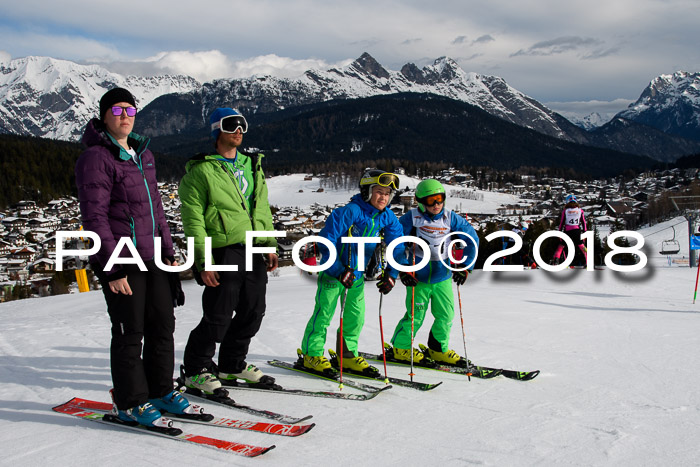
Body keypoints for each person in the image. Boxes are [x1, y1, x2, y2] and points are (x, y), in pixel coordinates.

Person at [75, 87, 194, 428]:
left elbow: (156, 208)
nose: (125, 116)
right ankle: (130, 402)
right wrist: (113, 268)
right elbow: (94, 217)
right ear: (104, 115)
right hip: (122, 260)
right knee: (130, 331)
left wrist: (169, 252)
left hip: (153, 257)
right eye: (117, 110)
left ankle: (160, 391)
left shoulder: (143, 154)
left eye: (130, 109)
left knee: (162, 327)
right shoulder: (97, 158)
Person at [179, 107, 279, 393]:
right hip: (223, 249)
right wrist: (203, 261)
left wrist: (268, 244)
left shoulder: (252, 164)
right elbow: (193, 221)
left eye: (243, 125)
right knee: (219, 314)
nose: (239, 130)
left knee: (254, 310)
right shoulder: (201, 170)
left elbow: (261, 209)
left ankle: (232, 363)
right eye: (232, 124)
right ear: (216, 130)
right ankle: (196, 369)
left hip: (252, 248)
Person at [299, 169, 404, 376]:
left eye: (387, 194)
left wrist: (391, 274)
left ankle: (346, 356)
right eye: (379, 192)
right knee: (324, 314)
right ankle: (311, 354)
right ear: (367, 191)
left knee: (355, 317)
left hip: (356, 276)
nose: (383, 197)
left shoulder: (387, 217)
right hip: (334, 273)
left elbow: (397, 246)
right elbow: (325, 242)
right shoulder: (350, 211)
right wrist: (338, 270)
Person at [390, 179, 479, 365]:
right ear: (420, 201)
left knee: (446, 316)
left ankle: (438, 349)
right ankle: (401, 348)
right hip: (418, 279)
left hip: (443, 277)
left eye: (440, 199)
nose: (436, 204)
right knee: (415, 317)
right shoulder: (410, 218)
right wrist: (404, 268)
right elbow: (395, 243)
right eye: (431, 201)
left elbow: (473, 239)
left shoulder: (450, 217)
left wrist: (466, 265)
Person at [552, 194, 587, 265]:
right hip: (576, 230)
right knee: (581, 246)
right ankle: (588, 261)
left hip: (567, 230)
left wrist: (560, 232)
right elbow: (583, 222)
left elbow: (562, 222)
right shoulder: (580, 210)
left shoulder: (565, 211)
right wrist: (585, 232)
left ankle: (556, 260)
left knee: (561, 246)